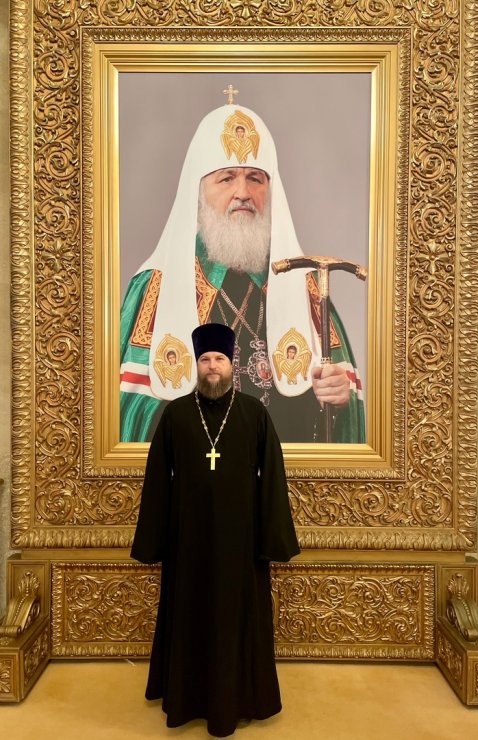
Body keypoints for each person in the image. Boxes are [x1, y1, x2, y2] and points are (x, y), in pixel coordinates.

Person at [120, 95, 365, 443]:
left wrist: (338, 397)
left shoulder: (306, 286)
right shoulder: (155, 288)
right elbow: (126, 414)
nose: (243, 193)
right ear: (198, 192)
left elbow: (340, 417)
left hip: (280, 471)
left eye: (255, 178)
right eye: (226, 178)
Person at [130, 323, 300, 737]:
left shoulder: (254, 414)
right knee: (190, 617)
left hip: (241, 545)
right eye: (205, 359)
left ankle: (241, 699)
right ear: (196, 363)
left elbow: (272, 478)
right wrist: (155, 540)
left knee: (237, 621)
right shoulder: (175, 415)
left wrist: (271, 539)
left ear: (231, 364)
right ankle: (187, 699)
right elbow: (158, 480)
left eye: (219, 359)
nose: (211, 367)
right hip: (187, 542)